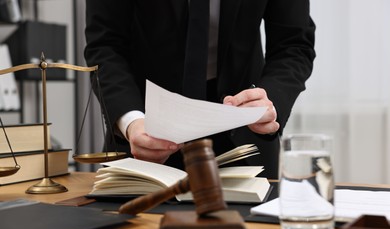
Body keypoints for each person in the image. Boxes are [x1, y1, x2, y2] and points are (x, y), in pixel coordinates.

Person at [84, 0, 316, 179]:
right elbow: (105, 45)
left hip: (243, 138)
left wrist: (268, 100)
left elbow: (293, 45)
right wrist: (131, 121)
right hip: (143, 135)